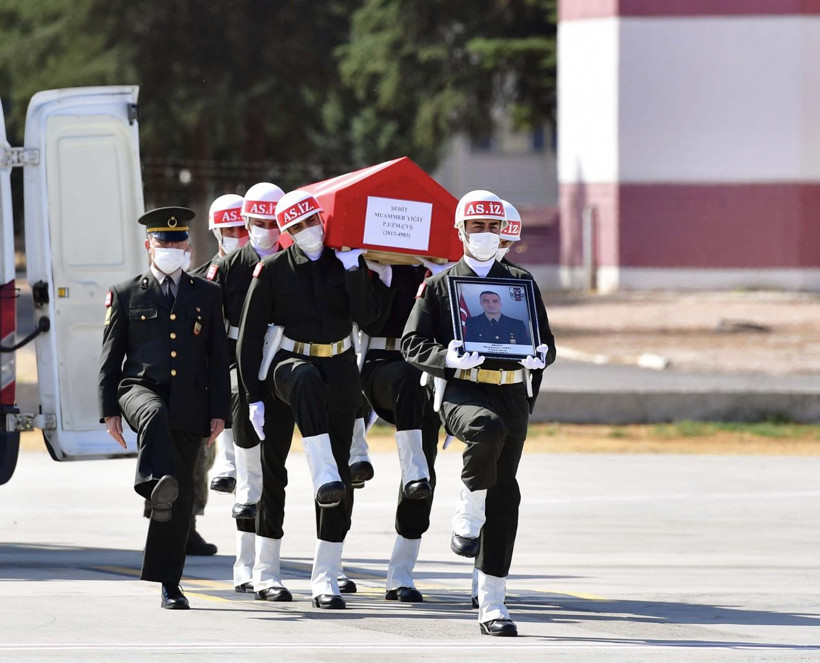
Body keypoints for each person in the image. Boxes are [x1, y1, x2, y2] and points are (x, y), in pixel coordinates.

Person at [401, 190, 555, 636]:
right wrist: (448, 357)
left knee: (505, 497)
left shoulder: (522, 283)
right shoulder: (439, 284)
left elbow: (546, 341)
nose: (485, 235)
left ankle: (493, 602)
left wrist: (540, 356)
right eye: (476, 227)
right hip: (463, 392)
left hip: (512, 394)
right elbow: (413, 344)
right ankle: (467, 506)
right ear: (461, 231)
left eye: (492, 228)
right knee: (484, 431)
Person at [237, 189, 380, 609]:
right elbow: (248, 338)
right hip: (286, 367)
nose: (308, 231)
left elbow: (368, 316)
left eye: (311, 221)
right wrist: (252, 396)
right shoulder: (273, 269)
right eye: (296, 226)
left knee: (339, 482)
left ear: (323, 219)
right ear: (286, 232)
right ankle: (266, 572)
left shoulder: (345, 263)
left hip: (338, 365)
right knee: (272, 472)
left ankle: (325, 577)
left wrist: (356, 269)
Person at [99, 206, 230, 610]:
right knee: (154, 418)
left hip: (190, 401)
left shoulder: (207, 294)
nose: (170, 248)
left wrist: (219, 412)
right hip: (139, 389)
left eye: (177, 242)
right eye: (163, 242)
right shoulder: (125, 293)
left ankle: (169, 584)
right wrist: (109, 410)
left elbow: (217, 356)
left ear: (188, 247)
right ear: (148, 246)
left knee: (178, 496)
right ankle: (149, 482)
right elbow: (110, 356)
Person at [208, 182, 295, 599]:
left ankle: (268, 570)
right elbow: (210, 331)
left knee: (274, 474)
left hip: (279, 366)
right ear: (246, 222)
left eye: (272, 222)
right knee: (250, 474)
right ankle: (245, 567)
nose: (264, 230)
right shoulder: (225, 270)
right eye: (257, 223)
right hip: (237, 370)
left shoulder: (293, 263)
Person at [359, 258, 444, 603]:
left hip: (429, 370)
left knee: (424, 477)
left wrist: (439, 276)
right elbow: (366, 319)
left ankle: (401, 572)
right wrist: (378, 275)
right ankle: (330, 567)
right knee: (346, 468)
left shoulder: (442, 273)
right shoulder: (364, 262)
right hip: (376, 361)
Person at [193, 193, 250, 497]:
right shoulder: (201, 280)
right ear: (216, 233)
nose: (238, 237)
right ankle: (186, 526)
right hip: (216, 376)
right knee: (194, 460)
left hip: (262, 362)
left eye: (243, 229)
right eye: (230, 231)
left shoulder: (270, 271)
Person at [463, 291, 529, 346]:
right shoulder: (471, 323)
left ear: (500, 303)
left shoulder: (517, 324)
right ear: (481, 303)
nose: (491, 304)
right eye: (486, 301)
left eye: (495, 301)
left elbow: (524, 348)